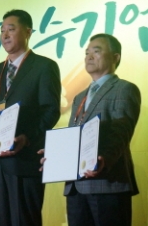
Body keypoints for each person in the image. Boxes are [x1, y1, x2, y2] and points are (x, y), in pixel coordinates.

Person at [0, 9, 61, 226]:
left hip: (25, 160)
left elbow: (50, 109)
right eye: (2, 31)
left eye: (11, 29)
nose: (5, 35)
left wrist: (27, 137)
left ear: (28, 32)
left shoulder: (44, 67)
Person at [62, 33, 141, 226]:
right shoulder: (79, 97)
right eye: (87, 52)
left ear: (116, 57)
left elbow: (121, 131)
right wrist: (57, 154)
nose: (89, 57)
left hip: (107, 182)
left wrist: (104, 157)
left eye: (96, 51)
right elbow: (74, 136)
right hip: (76, 186)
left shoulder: (124, 89)